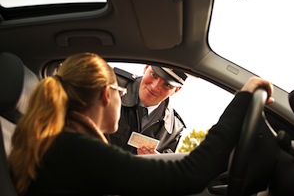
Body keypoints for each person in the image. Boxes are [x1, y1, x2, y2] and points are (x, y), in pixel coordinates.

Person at [8, 52, 274, 196]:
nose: (125, 94)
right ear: (105, 94)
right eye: (120, 93)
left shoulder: (62, 144)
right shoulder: (77, 150)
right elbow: (190, 175)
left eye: (167, 84)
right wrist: (243, 97)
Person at [107, 65, 188, 155]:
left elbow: (164, 167)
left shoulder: (174, 130)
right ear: (146, 68)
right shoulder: (111, 85)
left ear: (177, 90)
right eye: (154, 75)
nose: (154, 87)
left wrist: (156, 164)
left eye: (167, 85)